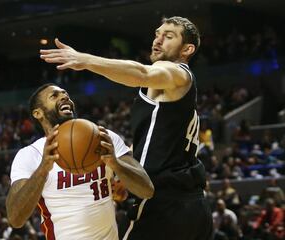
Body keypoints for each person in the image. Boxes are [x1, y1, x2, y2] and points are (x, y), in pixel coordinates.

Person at [40, 16, 213, 239]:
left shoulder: (177, 72)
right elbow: (157, 141)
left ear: (187, 49)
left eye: (168, 36)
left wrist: (84, 60)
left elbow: (142, 73)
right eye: (157, 34)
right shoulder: (170, 96)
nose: (158, 40)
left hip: (163, 203)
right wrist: (125, 175)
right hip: (194, 207)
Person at [6, 83, 154, 240]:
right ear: (38, 113)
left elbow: (147, 190)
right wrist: (43, 169)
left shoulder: (103, 138)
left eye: (66, 94)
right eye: (54, 96)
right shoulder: (31, 155)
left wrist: (115, 163)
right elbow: (15, 218)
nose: (64, 97)